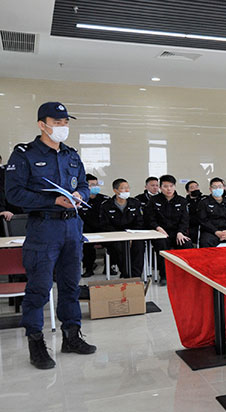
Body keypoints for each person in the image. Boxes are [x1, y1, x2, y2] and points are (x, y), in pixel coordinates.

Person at [5, 102, 96, 369]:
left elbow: (83, 184)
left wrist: (80, 194)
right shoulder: (24, 154)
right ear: (42, 125)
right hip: (44, 228)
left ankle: (72, 336)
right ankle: (36, 343)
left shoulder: (71, 154)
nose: (62, 127)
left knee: (70, 286)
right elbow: (14, 194)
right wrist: (53, 201)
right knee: (39, 288)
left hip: (72, 227)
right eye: (57, 123)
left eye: (65, 122)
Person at [144, 174, 193, 286]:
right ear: (160, 188)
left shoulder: (182, 201)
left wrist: (180, 232)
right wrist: (158, 228)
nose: (169, 189)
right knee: (162, 245)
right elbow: (149, 219)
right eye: (165, 186)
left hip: (177, 233)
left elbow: (185, 220)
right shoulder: (153, 200)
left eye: (171, 186)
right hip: (160, 233)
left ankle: (186, 274)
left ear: (175, 186)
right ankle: (164, 275)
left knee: (187, 244)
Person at [98, 178, 145, 278]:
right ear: (115, 190)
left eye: (128, 188)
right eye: (123, 188)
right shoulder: (106, 205)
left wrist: (131, 236)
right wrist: (121, 236)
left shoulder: (135, 203)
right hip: (115, 237)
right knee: (119, 247)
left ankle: (136, 276)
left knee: (139, 246)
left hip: (133, 235)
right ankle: (126, 274)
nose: (127, 190)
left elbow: (139, 222)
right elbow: (105, 225)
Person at [78, 173, 110, 278]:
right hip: (86, 231)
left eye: (96, 184)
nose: (95, 187)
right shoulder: (79, 200)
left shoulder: (105, 199)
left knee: (114, 244)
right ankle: (89, 268)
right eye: (92, 185)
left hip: (104, 230)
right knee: (86, 246)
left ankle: (109, 267)